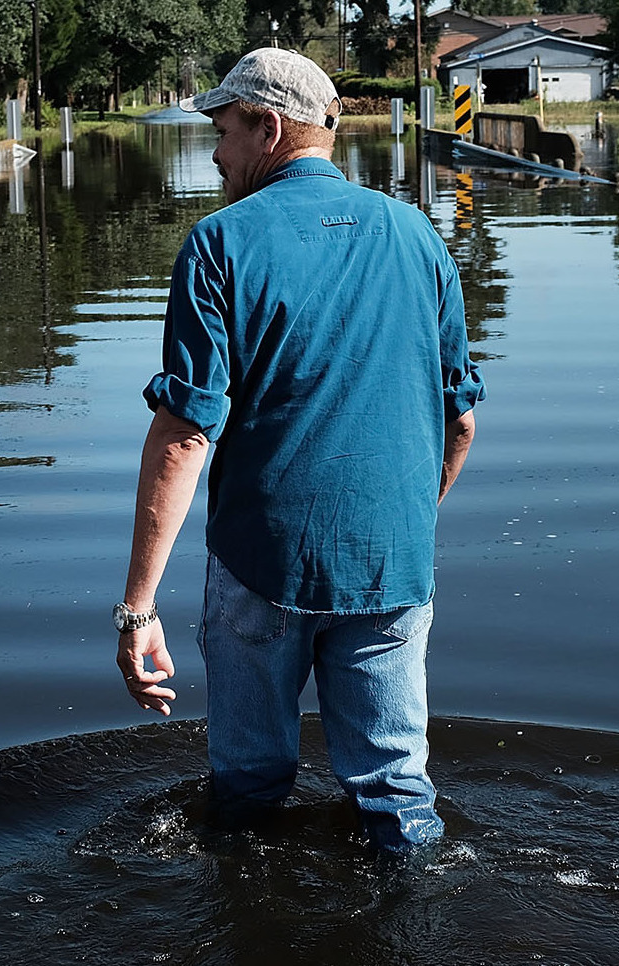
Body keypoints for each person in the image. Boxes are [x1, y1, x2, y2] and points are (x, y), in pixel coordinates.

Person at [114, 47, 483, 850]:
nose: (214, 154)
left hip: (263, 563)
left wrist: (138, 608)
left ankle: (247, 910)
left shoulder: (218, 243)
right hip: (391, 561)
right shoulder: (418, 234)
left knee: (246, 791)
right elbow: (460, 420)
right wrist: (402, 523)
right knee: (396, 795)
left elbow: (183, 435)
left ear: (269, 127)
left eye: (222, 131)